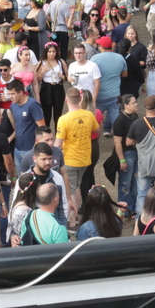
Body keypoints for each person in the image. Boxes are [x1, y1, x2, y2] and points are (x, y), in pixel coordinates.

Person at [53, 88, 98, 216]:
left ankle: (73, 219)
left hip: (70, 160)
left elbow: (58, 144)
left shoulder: (63, 119)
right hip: (85, 159)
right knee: (77, 186)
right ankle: (76, 215)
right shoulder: (89, 114)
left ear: (66, 100)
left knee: (70, 189)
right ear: (80, 99)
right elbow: (96, 130)